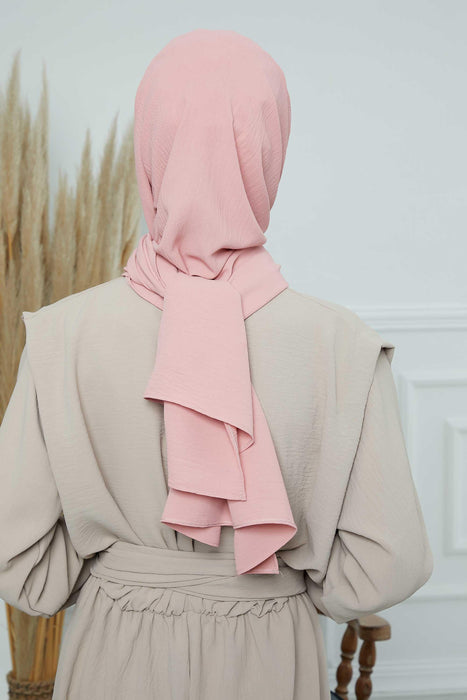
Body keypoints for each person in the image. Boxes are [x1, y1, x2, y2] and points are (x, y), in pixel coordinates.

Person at [0, 29, 433, 700]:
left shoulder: (64, 334)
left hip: (116, 643)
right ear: (270, 153)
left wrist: (127, 574)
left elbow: (17, 555)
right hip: (272, 647)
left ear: (150, 147)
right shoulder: (339, 343)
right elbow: (385, 564)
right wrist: (277, 583)